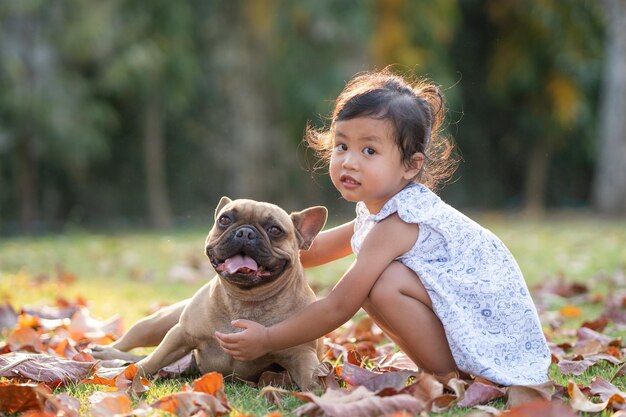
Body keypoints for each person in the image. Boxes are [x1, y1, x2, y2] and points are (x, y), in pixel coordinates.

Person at [215, 69, 551, 386]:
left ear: (410, 165)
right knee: (379, 281)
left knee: (380, 282)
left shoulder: (400, 221)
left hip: (494, 342)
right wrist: (244, 249)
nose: (349, 161)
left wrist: (269, 339)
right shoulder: (377, 214)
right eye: (342, 145)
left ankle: (450, 374)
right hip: (475, 330)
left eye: (369, 150)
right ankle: (441, 367)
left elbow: (339, 305)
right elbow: (307, 252)